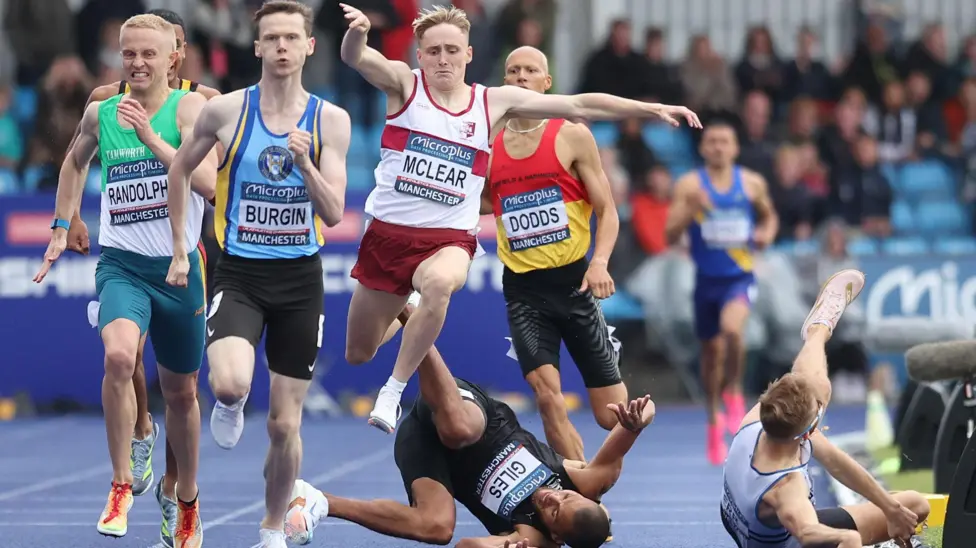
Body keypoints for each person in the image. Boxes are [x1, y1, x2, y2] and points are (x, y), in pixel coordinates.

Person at [338, 3, 700, 434]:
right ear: (419, 54)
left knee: (439, 284)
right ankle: (409, 306)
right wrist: (358, 32)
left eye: (452, 50)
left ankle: (393, 391)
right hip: (389, 238)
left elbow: (580, 103)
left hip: (449, 242)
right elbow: (355, 58)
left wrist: (648, 109)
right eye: (433, 51)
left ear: (469, 54)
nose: (442, 59)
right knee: (359, 351)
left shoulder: (492, 103)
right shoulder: (405, 86)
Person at [165, 2, 350, 547]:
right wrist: (180, 247)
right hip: (240, 272)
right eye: (273, 38)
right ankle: (230, 402)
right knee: (228, 381)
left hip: (300, 279)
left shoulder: (328, 120)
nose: (283, 47)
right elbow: (180, 168)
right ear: (258, 47)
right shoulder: (225, 111)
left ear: (309, 46)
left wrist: (306, 165)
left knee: (284, 426)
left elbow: (336, 212)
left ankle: (271, 528)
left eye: (293, 37)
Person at [34, 14, 217, 546]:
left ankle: (185, 500)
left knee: (182, 395)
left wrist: (148, 137)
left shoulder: (192, 107)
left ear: (173, 58)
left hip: (180, 270)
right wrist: (62, 225)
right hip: (122, 264)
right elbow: (73, 163)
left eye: (148, 55)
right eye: (128, 54)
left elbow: (205, 182)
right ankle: (119, 485)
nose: (137, 63)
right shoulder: (101, 111)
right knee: (119, 357)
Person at [281, 304, 654, 548]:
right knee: (461, 429)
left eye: (554, 511)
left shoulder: (532, 537)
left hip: (428, 447)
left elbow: (464, 546)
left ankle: (319, 500)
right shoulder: (587, 483)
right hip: (469, 413)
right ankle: (409, 312)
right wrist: (637, 422)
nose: (553, 498)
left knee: (437, 528)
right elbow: (633, 428)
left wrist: (506, 547)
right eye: (566, 497)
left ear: (555, 534)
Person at [482, 46, 625, 468]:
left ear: (547, 83)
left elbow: (608, 211)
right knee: (547, 396)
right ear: (504, 83)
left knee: (612, 417)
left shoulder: (571, 134)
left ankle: (594, 473)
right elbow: (490, 202)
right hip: (524, 290)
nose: (521, 77)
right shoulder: (487, 143)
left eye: (531, 70)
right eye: (512, 71)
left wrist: (599, 262)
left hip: (575, 283)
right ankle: (580, 495)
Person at [721, 268, 930, 548]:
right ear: (805, 433)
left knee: (812, 384)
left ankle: (818, 329)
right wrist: (847, 538)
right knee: (916, 506)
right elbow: (807, 533)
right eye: (817, 413)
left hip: (739, 517)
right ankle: (817, 331)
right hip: (786, 541)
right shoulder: (787, 487)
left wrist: (890, 509)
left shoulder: (762, 418)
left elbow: (836, 462)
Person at [664, 121, 779, 465]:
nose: (717, 147)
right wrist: (689, 209)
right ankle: (713, 419)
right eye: (711, 141)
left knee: (733, 330)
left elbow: (770, 218)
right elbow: (670, 235)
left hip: (739, 278)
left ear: (735, 148)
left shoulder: (752, 183)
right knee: (711, 354)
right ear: (702, 149)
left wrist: (765, 236)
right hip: (706, 282)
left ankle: (733, 392)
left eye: (724, 141)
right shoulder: (689, 185)